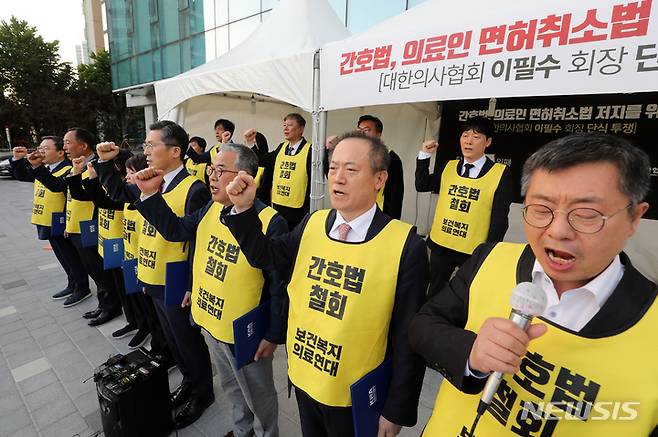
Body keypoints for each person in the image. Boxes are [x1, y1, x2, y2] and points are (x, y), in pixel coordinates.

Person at [409, 133, 658, 436]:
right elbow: (423, 325)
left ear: (635, 217)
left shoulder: (650, 324)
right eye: (541, 209)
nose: (558, 231)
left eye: (587, 214)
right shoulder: (490, 259)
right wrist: (471, 353)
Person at [223, 131, 428, 437]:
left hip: (354, 394)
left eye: (351, 169)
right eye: (333, 168)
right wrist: (243, 209)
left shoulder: (405, 245)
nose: (338, 178)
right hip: (306, 376)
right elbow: (265, 255)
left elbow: (409, 336)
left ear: (379, 179)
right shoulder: (313, 223)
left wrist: (395, 409)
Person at [133, 143, 288, 437]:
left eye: (220, 170)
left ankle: (267, 433)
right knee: (231, 385)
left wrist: (273, 334)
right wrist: (152, 194)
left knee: (258, 393)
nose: (212, 177)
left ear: (244, 177)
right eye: (211, 169)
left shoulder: (270, 221)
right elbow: (177, 231)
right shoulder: (211, 209)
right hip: (211, 319)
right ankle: (243, 430)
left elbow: (279, 285)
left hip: (245, 332)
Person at [94, 121, 214, 429]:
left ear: (175, 151)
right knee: (172, 339)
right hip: (154, 273)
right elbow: (120, 193)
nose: (146, 152)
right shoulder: (150, 180)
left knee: (187, 339)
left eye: (151, 145)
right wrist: (107, 163)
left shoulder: (194, 190)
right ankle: (188, 381)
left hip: (177, 278)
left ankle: (203, 393)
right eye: (145, 145)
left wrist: (190, 284)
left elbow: (196, 241)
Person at [27, 128, 122, 324]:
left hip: (92, 226)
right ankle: (104, 304)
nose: (65, 147)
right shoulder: (76, 166)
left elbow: (96, 197)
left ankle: (111, 306)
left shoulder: (98, 166)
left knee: (100, 270)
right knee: (94, 270)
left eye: (68, 143)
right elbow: (61, 189)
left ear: (83, 145)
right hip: (78, 226)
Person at [415, 116, 513, 298]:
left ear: (488, 142)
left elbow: (500, 219)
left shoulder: (500, 173)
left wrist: (488, 252)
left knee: (466, 295)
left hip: (472, 251)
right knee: (434, 291)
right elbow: (422, 185)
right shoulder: (449, 167)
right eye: (465, 135)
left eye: (476, 137)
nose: (468, 141)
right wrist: (424, 155)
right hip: (441, 245)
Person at [10, 138, 88, 300]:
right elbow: (23, 175)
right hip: (47, 219)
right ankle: (72, 283)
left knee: (70, 255)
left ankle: (81, 287)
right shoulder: (46, 168)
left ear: (60, 153)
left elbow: (56, 185)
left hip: (61, 220)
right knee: (62, 255)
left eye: (45, 148)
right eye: (39, 148)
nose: (41, 151)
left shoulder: (68, 169)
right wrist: (18, 160)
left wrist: (37, 167)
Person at [325, 115, 405, 220]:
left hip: (376, 215)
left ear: (379, 134)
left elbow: (395, 195)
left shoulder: (391, 159)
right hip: (351, 212)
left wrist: (391, 221)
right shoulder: (350, 155)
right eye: (359, 129)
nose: (362, 133)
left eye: (367, 130)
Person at [258, 113, 312, 228]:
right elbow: (263, 161)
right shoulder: (281, 148)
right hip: (278, 206)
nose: (285, 128)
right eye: (284, 125)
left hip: (299, 210)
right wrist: (251, 144)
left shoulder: (310, 151)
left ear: (301, 129)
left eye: (290, 125)